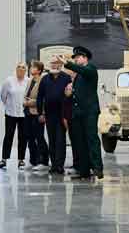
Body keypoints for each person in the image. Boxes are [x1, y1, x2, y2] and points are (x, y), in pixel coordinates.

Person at [63, 46, 103, 179]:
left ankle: (97, 167)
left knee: (91, 138)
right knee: (80, 142)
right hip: (79, 113)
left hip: (89, 112)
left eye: (77, 57)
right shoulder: (79, 75)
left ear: (85, 58)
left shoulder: (90, 69)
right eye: (74, 58)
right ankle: (84, 170)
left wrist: (66, 63)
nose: (75, 60)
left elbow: (82, 71)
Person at [36, 55, 71, 175]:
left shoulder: (66, 78)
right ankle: (53, 165)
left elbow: (69, 96)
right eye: (52, 63)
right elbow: (40, 97)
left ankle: (60, 165)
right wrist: (40, 113)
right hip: (49, 114)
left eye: (56, 63)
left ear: (60, 65)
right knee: (52, 140)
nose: (54, 65)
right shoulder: (45, 79)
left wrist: (68, 115)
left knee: (60, 140)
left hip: (62, 115)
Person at [0, 62, 28, 169]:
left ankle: (21, 160)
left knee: (23, 137)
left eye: (23, 67)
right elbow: (3, 96)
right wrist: (9, 105)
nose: (21, 69)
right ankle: (4, 159)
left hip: (24, 114)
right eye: (19, 67)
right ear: (16, 69)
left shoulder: (28, 81)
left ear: (26, 70)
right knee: (8, 136)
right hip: (10, 113)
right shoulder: (9, 80)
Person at [22, 61, 47, 170]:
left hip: (37, 112)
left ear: (39, 70)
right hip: (27, 112)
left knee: (39, 137)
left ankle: (44, 161)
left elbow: (43, 99)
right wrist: (25, 102)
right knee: (30, 137)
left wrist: (29, 102)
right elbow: (26, 95)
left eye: (33, 67)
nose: (30, 68)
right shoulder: (30, 80)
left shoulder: (43, 81)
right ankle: (33, 161)